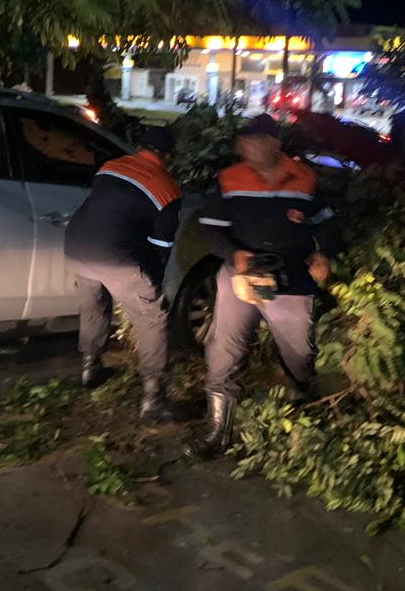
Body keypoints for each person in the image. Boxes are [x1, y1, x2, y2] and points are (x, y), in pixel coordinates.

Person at [186, 114, 331, 458]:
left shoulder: (306, 180)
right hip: (241, 276)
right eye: (243, 140)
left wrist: (324, 253)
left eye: (254, 140)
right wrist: (233, 255)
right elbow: (210, 228)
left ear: (274, 143)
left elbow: (328, 223)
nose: (246, 146)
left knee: (299, 350)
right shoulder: (228, 179)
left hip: (292, 278)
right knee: (225, 347)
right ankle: (218, 430)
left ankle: (302, 406)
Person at [64, 125, 182, 422]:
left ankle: (90, 367)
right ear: (168, 155)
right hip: (116, 257)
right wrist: (152, 287)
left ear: (140, 147)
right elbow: (160, 246)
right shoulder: (167, 188)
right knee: (152, 319)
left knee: (93, 305)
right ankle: (154, 399)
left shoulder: (109, 166)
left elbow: (106, 210)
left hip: (77, 247)